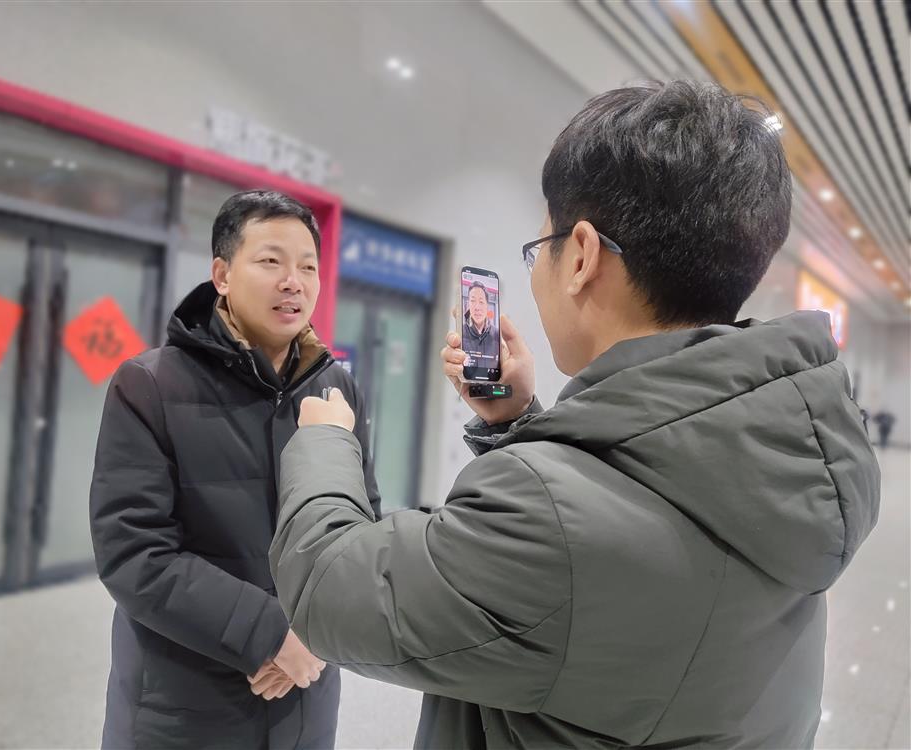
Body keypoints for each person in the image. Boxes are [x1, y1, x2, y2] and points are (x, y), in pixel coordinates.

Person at [267, 81, 881, 749]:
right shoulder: (792, 447)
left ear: (582, 255)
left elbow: (330, 587)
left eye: (541, 249)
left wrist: (326, 442)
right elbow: (610, 572)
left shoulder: (546, 522)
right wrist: (517, 425)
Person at [89, 190, 380, 749]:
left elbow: (362, 525)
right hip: (185, 700)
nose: (293, 281)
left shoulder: (338, 388)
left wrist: (315, 638)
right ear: (221, 274)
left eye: (308, 266)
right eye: (271, 261)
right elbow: (134, 553)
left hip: (306, 691)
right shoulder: (149, 385)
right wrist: (271, 634)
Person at [461, 281, 499, 366]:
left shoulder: (497, 335)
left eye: (481, 302)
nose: (477, 307)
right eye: (473, 301)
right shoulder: (461, 333)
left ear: (487, 305)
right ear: (468, 304)